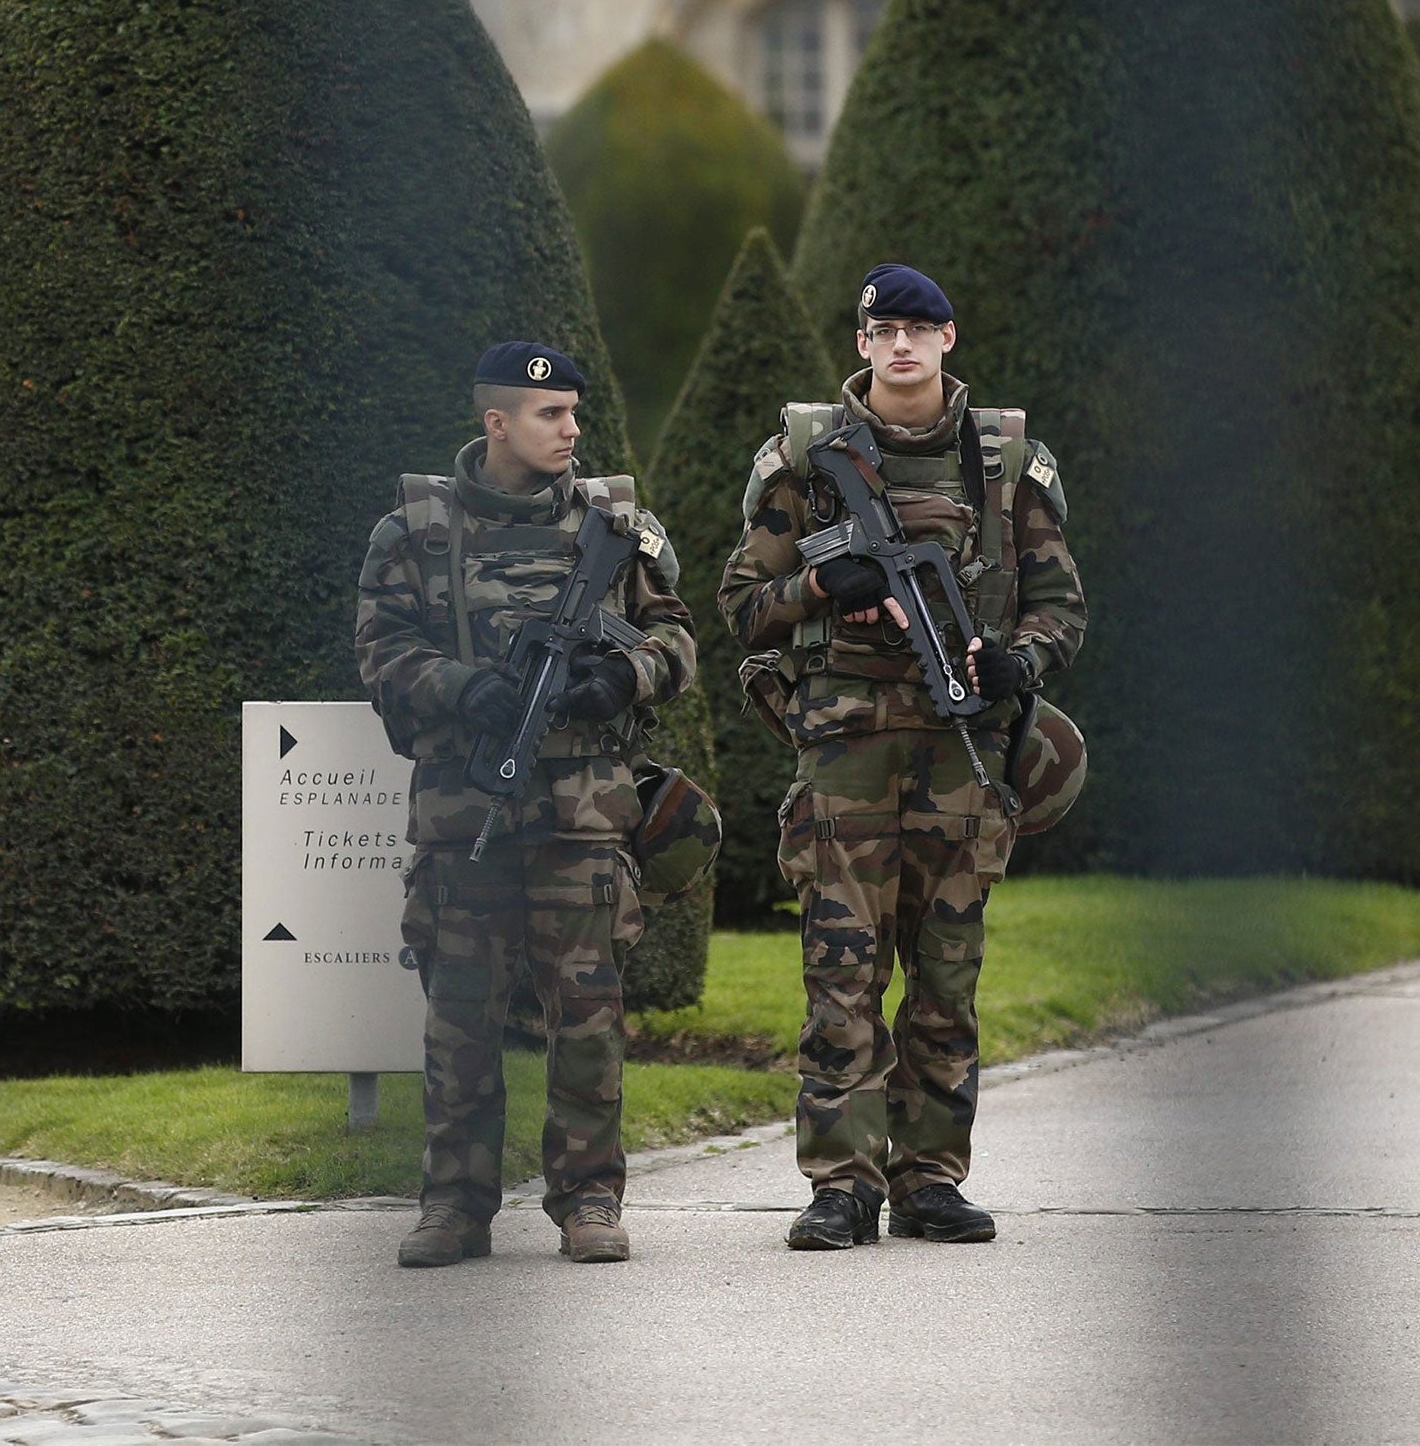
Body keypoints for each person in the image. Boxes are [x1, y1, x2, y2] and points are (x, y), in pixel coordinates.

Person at [719, 264, 1086, 1250]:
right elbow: (742, 607)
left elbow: (1061, 606)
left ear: (949, 339)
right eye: (883, 329)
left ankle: (928, 1178)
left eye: (919, 329)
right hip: (843, 753)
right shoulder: (801, 457)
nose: (901, 346)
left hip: (959, 750)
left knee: (945, 974)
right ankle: (839, 1185)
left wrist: (1020, 661)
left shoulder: (1004, 459)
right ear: (861, 342)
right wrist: (813, 583)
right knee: (838, 975)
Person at [356, 341, 697, 1267]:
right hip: (466, 813)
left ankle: (589, 1200)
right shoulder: (414, 533)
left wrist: (621, 676)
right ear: (495, 421)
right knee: (459, 1020)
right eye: (551, 415)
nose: (572, 429)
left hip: (585, 818)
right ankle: (453, 1207)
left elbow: (677, 637)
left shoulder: (618, 527)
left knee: (587, 1018)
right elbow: (380, 651)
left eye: (576, 412)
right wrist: (461, 686)